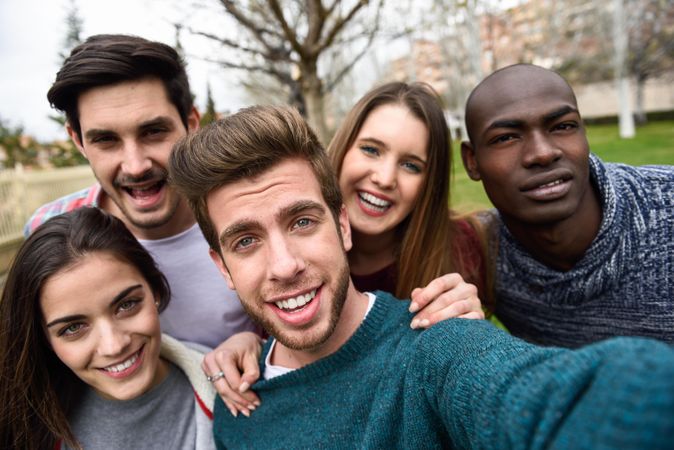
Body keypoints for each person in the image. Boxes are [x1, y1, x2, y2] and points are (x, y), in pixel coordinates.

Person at [169, 104, 674, 449]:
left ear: (342, 224)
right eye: (246, 241)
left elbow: (540, 397)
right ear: (223, 268)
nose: (284, 265)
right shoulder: (238, 409)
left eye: (302, 222)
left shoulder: (433, 347)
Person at [201, 82, 489, 414]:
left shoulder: (460, 247)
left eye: (411, 165)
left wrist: (469, 327)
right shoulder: (285, 259)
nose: (384, 177)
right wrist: (248, 341)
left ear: (430, 184)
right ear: (342, 149)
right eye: (371, 150)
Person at [23, 34, 259, 348]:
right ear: (78, 141)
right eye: (106, 140)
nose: (135, 166)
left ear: (190, 123)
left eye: (153, 132)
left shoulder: (250, 218)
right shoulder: (47, 229)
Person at [460, 63, 674, 347]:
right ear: (472, 161)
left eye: (563, 126)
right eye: (506, 138)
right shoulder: (480, 252)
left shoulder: (666, 205)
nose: (543, 153)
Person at [0, 208, 215, 450]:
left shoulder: (231, 383)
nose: (114, 345)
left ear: (154, 289)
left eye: (127, 305)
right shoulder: (20, 430)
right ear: (45, 340)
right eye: (73, 328)